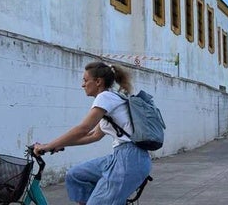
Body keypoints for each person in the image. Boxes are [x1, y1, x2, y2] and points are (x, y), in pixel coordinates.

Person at [34, 61, 151, 205]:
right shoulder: (111, 99)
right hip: (123, 157)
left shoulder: (105, 97)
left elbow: (84, 129)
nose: (82, 85)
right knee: (75, 175)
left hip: (129, 160)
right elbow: (93, 136)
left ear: (98, 82)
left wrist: (48, 146)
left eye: (85, 80)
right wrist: (55, 145)